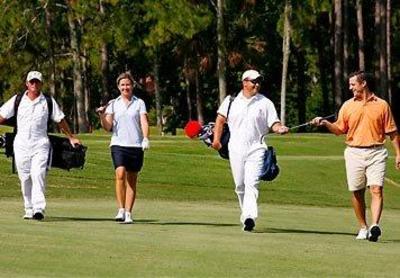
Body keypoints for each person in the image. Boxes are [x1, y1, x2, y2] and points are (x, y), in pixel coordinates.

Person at [311, 70, 400, 242]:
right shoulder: (348, 105)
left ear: (363, 83)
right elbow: (339, 130)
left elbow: (392, 132)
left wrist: (398, 154)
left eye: (353, 84)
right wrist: (325, 123)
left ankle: (375, 225)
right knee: (357, 191)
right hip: (354, 152)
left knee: (376, 189)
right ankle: (363, 226)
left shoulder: (382, 105)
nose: (350, 87)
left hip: (377, 151)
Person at [211, 69, 289, 232]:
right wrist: (217, 140)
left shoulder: (265, 103)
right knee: (240, 185)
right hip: (235, 148)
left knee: (251, 183)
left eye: (259, 81)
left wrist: (279, 128)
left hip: (257, 148)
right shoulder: (231, 101)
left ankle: (249, 217)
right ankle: (245, 214)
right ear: (244, 82)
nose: (257, 84)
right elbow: (220, 120)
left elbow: (273, 123)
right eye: (254, 81)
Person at [0, 71, 80, 220]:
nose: (34, 85)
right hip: (21, 144)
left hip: (40, 144)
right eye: (32, 82)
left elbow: (60, 119)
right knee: (24, 177)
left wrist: (71, 137)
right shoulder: (17, 100)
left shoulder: (48, 101)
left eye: (37, 82)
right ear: (27, 84)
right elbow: (2, 115)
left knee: (38, 174)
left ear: (41, 84)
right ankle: (28, 208)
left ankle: (39, 208)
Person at [97, 72, 150, 224]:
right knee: (120, 174)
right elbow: (108, 127)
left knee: (132, 180)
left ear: (132, 86)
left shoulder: (139, 103)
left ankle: (128, 212)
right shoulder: (113, 103)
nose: (125, 87)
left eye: (128, 84)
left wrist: (145, 138)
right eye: (123, 85)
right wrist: (101, 116)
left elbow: (144, 122)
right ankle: (121, 209)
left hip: (135, 145)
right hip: (118, 144)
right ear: (118, 87)